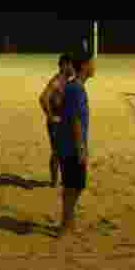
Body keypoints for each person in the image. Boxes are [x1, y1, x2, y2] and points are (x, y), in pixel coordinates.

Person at [54, 52, 95, 236]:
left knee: (73, 186)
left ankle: (68, 222)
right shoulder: (76, 89)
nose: (95, 66)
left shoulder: (73, 87)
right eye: (92, 63)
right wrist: (80, 147)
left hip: (68, 144)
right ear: (85, 65)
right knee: (74, 186)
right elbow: (75, 120)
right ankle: (65, 225)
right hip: (71, 146)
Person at [39, 53, 75, 187]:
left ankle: (62, 180)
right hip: (57, 123)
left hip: (65, 122)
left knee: (65, 151)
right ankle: (54, 182)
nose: (73, 68)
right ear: (65, 65)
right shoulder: (57, 81)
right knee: (57, 152)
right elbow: (43, 98)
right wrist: (51, 116)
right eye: (71, 65)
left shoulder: (67, 81)